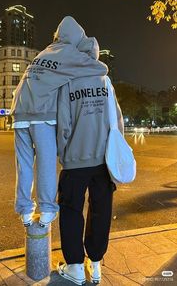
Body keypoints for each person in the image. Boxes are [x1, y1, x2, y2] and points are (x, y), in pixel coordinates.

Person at [10, 17, 108, 228]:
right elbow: (99, 69)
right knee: (45, 162)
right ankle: (47, 209)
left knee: (24, 164)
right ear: (75, 38)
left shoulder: (44, 53)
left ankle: (25, 210)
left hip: (19, 111)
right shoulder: (69, 53)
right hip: (42, 112)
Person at [56, 36, 124, 285]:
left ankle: (74, 268)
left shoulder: (68, 82)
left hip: (75, 160)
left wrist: (63, 153)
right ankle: (95, 265)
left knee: (71, 211)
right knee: (101, 211)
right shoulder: (105, 82)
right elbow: (117, 121)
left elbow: (63, 124)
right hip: (103, 161)